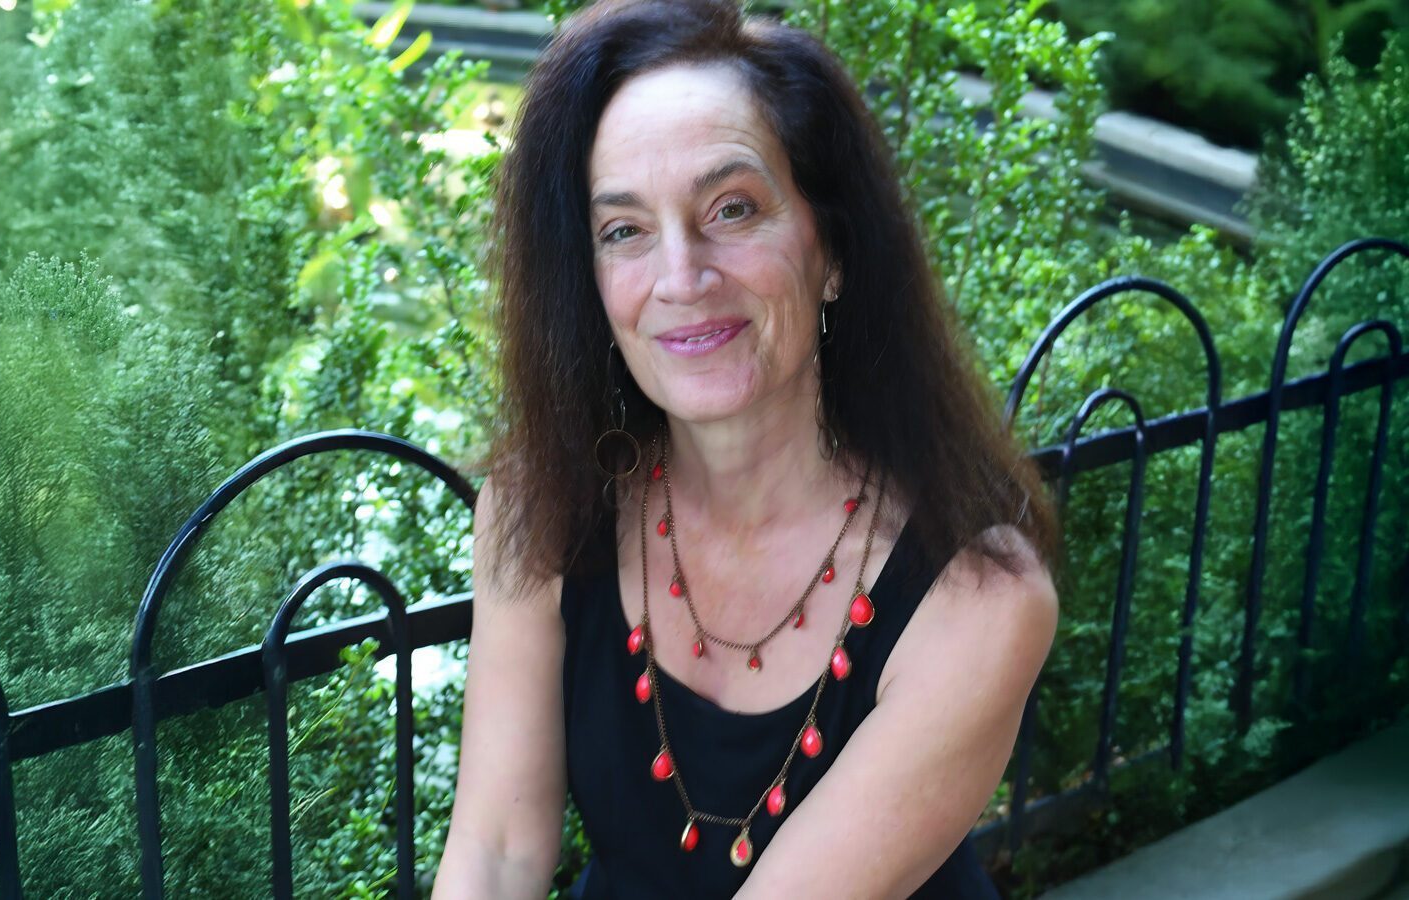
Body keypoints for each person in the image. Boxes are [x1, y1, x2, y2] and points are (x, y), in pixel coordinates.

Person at [432, 0, 1059, 896]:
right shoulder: (540, 512)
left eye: (732, 208)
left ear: (831, 250)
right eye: (625, 230)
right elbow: (493, 856)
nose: (682, 277)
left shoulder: (979, 597)